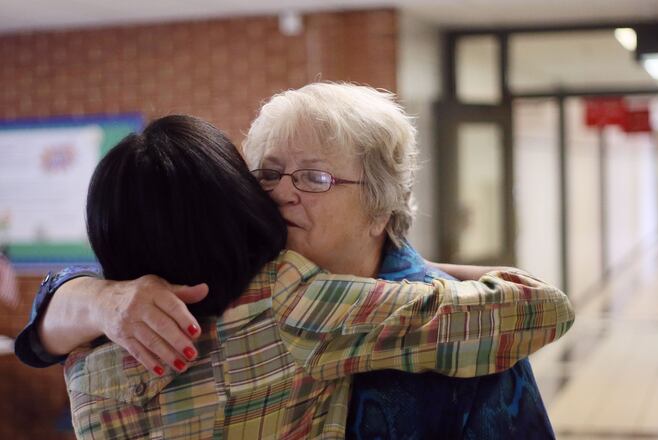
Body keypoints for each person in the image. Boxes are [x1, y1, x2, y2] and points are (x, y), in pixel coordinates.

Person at [16, 83, 568, 438]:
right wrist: (89, 295)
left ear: (381, 206)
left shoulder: (465, 326)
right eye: (268, 173)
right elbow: (40, 332)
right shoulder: (214, 295)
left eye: (315, 176)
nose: (283, 193)